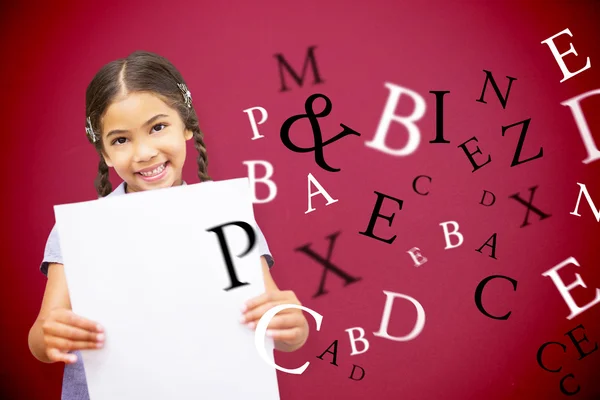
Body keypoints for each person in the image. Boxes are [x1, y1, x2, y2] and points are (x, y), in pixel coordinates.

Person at [27, 50, 309, 400]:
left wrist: (293, 328)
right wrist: (50, 335)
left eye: (158, 127)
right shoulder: (81, 233)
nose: (143, 152)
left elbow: (278, 325)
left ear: (187, 126)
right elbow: (41, 337)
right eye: (120, 140)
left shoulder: (227, 217)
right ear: (104, 153)